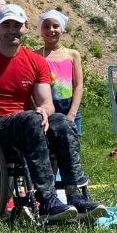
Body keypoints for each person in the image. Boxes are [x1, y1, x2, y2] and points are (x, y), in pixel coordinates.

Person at [0, 4, 105, 224]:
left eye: (17, 25)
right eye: (6, 25)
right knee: (30, 118)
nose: (12, 30)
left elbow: (47, 103)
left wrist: (44, 111)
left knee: (61, 121)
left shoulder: (36, 61)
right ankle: (47, 200)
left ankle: (76, 195)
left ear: (26, 28)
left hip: (28, 125)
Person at [36, 9, 84, 137]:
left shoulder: (72, 55)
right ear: (41, 31)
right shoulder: (36, 56)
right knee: (50, 144)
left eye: (55, 26)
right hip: (47, 109)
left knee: (73, 143)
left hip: (69, 108)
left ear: (62, 29)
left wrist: (72, 113)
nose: (51, 30)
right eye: (46, 26)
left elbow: (78, 85)